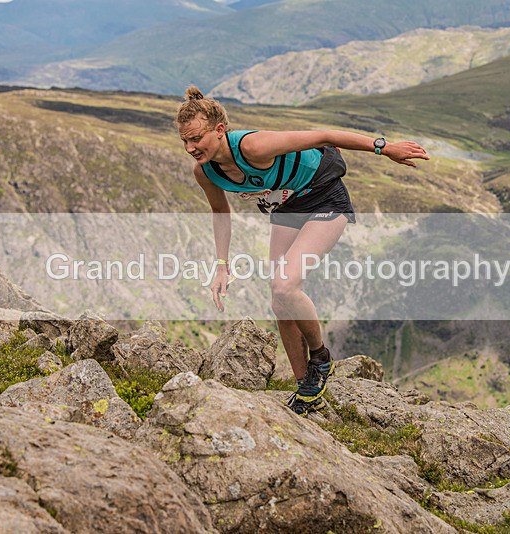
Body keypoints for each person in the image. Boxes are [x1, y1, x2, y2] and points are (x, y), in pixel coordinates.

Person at [175, 86, 429, 415]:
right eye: (185, 141)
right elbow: (220, 212)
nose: (191, 148)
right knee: (278, 298)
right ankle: (305, 387)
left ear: (220, 130)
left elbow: (323, 135)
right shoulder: (205, 171)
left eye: (196, 139)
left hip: (325, 197)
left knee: (285, 284)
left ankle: (320, 358)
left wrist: (385, 147)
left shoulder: (253, 145)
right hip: (289, 207)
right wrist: (221, 266)